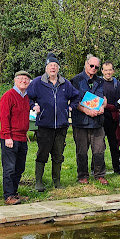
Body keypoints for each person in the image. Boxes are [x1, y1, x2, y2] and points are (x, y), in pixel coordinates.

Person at [27, 52, 80, 192]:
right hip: (44, 124)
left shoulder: (65, 83)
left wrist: (70, 107)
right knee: (42, 153)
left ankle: (57, 181)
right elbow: (28, 97)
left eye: (55, 65)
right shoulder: (38, 83)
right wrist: (34, 106)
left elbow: (76, 96)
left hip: (61, 125)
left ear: (58, 68)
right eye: (50, 65)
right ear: (46, 68)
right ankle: (38, 182)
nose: (53, 68)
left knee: (58, 155)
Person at [71, 55, 109, 185]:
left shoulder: (101, 81)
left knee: (99, 150)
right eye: (91, 65)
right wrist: (86, 111)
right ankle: (82, 175)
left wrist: (103, 107)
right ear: (86, 64)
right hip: (81, 121)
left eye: (96, 67)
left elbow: (104, 98)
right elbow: (74, 102)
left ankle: (99, 174)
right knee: (82, 151)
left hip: (97, 122)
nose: (93, 68)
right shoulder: (75, 81)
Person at [0, 70, 32, 205]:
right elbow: (4, 117)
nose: (23, 81)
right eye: (21, 79)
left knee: (19, 168)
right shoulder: (8, 96)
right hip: (11, 138)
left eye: (26, 79)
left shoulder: (26, 97)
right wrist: (7, 136)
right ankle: (8, 196)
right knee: (9, 168)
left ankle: (14, 192)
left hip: (22, 137)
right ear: (15, 80)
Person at [101, 61, 120, 174]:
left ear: (113, 71)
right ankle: (98, 169)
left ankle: (117, 169)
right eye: (106, 70)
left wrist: (114, 108)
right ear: (102, 71)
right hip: (101, 118)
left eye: (110, 70)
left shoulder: (117, 83)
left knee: (114, 145)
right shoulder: (98, 83)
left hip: (114, 119)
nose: (108, 72)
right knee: (99, 146)